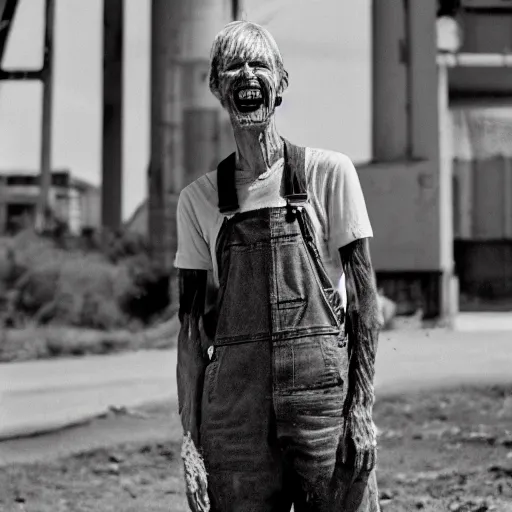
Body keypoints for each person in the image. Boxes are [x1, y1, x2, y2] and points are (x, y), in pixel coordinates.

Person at [175, 20, 381, 512]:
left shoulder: (328, 174)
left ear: (281, 83)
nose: (246, 73)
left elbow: (366, 302)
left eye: (259, 64)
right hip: (235, 415)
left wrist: (361, 408)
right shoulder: (198, 200)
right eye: (232, 67)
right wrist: (190, 441)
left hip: (322, 405)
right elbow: (189, 332)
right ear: (216, 88)